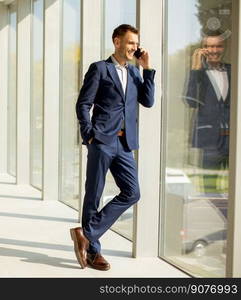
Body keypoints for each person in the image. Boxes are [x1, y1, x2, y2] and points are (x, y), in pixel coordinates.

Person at [70, 24, 155, 271]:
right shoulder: (99, 69)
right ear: (117, 42)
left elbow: (148, 101)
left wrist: (147, 68)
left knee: (132, 192)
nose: (134, 48)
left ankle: (85, 233)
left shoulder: (135, 73)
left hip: (125, 143)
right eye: (130, 43)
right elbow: (83, 104)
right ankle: (94, 252)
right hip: (102, 141)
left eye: (136, 43)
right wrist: (89, 135)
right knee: (93, 196)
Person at [184, 31, 230, 193]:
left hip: (234, 140)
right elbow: (190, 100)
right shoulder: (199, 74)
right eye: (209, 46)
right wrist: (195, 69)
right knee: (210, 190)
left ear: (223, 48)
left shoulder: (233, 70)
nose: (214, 50)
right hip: (210, 142)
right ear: (203, 49)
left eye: (218, 46)